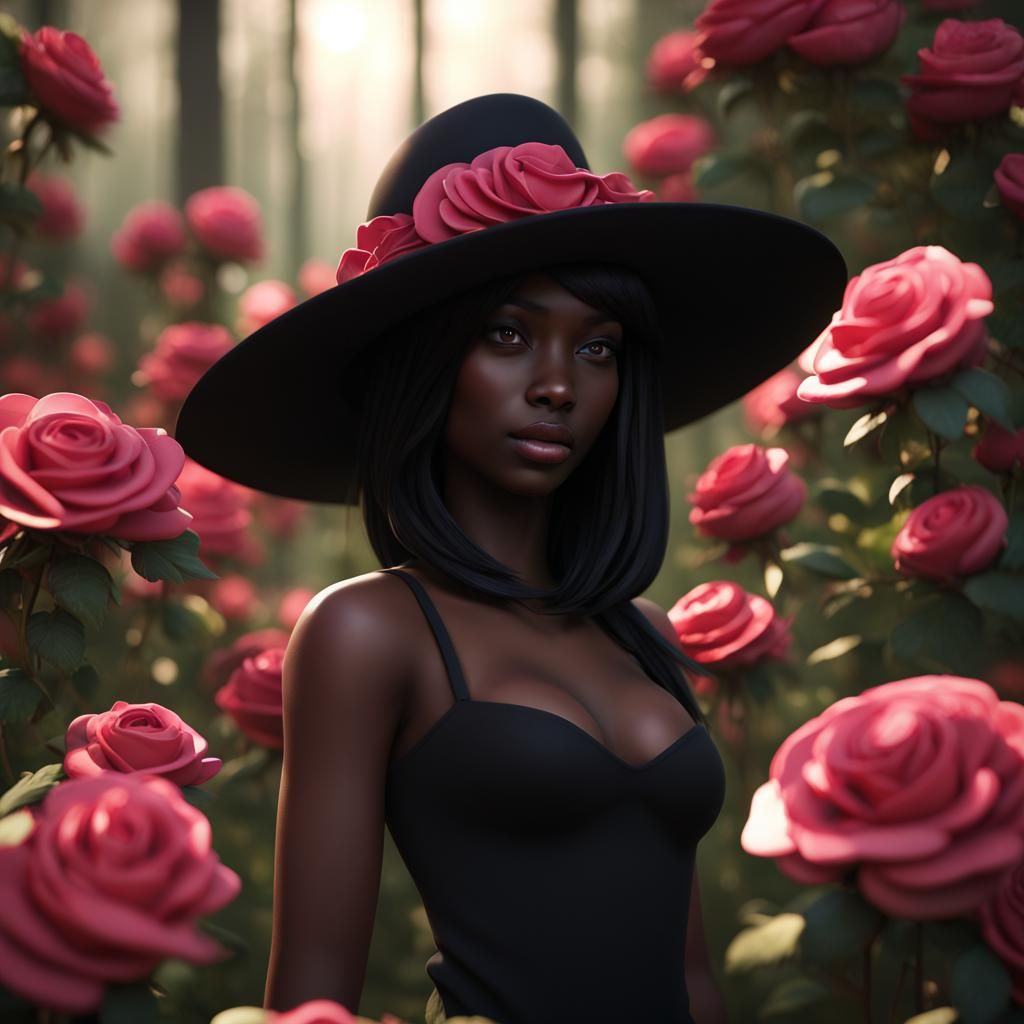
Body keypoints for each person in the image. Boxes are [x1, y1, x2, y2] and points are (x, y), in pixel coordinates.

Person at [175, 93, 847, 1024]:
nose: (560, 385)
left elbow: (692, 979)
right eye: (507, 334)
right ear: (424, 359)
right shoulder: (368, 630)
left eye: (598, 347)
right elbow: (311, 990)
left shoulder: (647, 636)